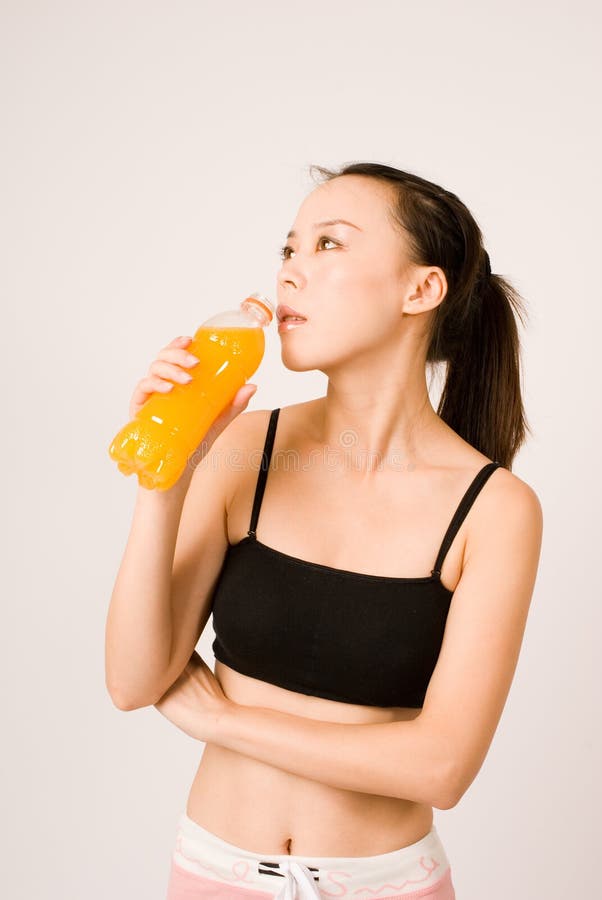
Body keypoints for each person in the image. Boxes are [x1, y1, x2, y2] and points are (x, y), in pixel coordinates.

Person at [105, 162, 543, 899]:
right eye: (288, 249)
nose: (290, 273)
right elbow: (133, 679)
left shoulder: (495, 510)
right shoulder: (245, 448)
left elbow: (441, 768)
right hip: (214, 873)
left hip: (387, 885)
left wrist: (226, 721)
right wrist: (167, 477)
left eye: (329, 245)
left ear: (421, 290)